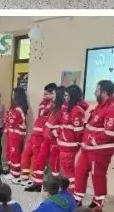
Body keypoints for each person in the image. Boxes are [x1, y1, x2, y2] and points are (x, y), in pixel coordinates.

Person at [72, 80, 114, 209]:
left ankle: (97, 203)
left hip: (100, 151)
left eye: (97, 90)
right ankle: (77, 198)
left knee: (98, 175)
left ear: (104, 92)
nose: (95, 92)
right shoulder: (100, 106)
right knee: (79, 170)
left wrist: (92, 141)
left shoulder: (112, 108)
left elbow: (110, 133)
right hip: (88, 148)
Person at [19, 83, 57, 189]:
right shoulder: (44, 102)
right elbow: (41, 112)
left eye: (47, 94)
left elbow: (44, 113)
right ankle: (24, 176)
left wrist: (51, 102)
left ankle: (34, 179)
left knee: (37, 158)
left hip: (42, 135)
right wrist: (46, 101)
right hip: (35, 133)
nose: (44, 96)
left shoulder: (56, 104)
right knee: (26, 153)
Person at [55, 85, 87, 192]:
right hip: (65, 144)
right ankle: (69, 191)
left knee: (69, 171)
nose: (65, 98)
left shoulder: (75, 110)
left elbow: (78, 131)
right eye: (64, 95)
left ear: (73, 96)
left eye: (67, 95)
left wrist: (76, 143)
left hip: (70, 146)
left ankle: (71, 193)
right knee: (66, 170)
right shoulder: (68, 107)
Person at [3, 87, 29, 182]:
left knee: (15, 154)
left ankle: (15, 173)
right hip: (12, 134)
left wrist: (7, 116)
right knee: (10, 152)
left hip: (16, 135)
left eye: (14, 94)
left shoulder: (18, 109)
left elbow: (11, 121)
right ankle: (12, 170)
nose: (12, 96)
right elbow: (7, 118)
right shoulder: (15, 107)